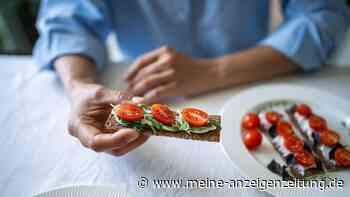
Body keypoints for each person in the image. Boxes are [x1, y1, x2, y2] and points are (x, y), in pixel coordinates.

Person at [34, 0, 350, 156]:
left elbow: (324, 14)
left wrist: (215, 71)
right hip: (136, 88)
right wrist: (78, 87)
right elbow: (65, 18)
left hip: (256, 75)